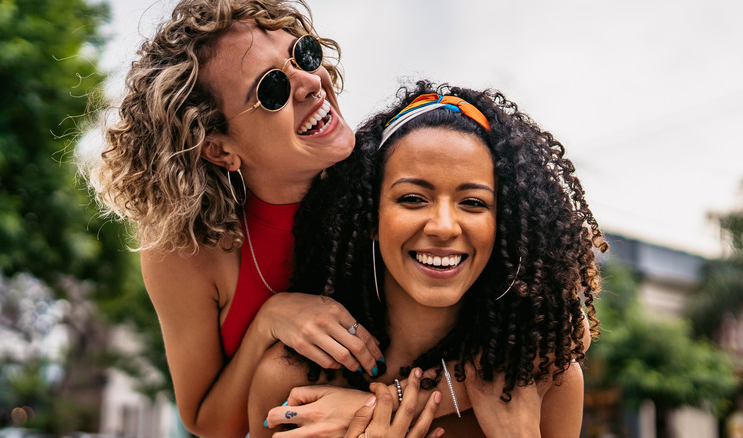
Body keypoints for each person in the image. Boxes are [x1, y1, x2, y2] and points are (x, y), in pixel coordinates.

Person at [83, 0, 385, 436]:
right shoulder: (188, 250)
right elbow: (207, 421)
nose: (309, 83)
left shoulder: (403, 188)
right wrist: (268, 322)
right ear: (220, 148)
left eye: (303, 55)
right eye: (272, 89)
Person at [250, 82, 608, 436]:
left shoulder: (542, 380)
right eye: (412, 198)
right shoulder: (290, 381)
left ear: (503, 227)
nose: (443, 227)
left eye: (473, 203)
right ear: (370, 219)